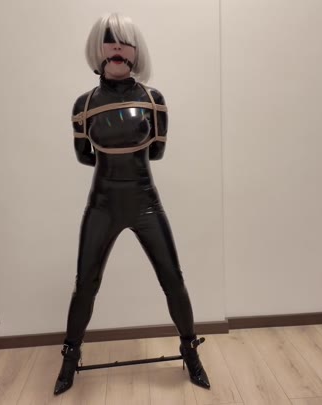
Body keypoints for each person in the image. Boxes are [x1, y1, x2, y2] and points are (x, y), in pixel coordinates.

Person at [53, 12, 211, 395]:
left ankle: (190, 351)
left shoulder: (154, 100)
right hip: (102, 205)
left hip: (144, 202)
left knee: (172, 279)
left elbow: (139, 153)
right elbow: (90, 155)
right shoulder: (83, 104)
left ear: (136, 51)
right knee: (85, 285)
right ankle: (69, 359)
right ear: (98, 48)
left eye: (125, 42)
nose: (118, 48)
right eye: (110, 40)